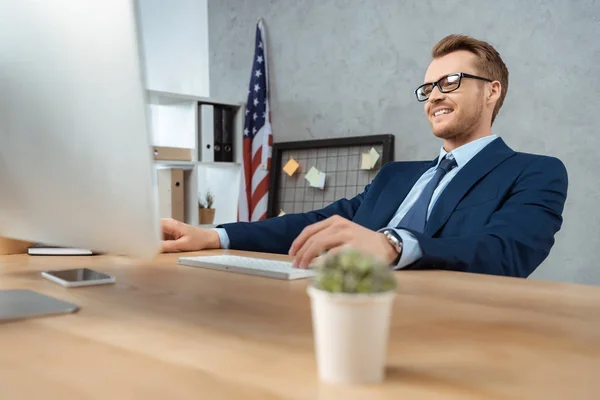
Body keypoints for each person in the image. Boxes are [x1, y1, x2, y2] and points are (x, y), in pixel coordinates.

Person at [161, 34, 568, 278]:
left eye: (451, 81)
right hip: (341, 303)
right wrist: (214, 235)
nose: (435, 96)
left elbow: (505, 253)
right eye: (428, 89)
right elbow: (322, 224)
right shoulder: (396, 176)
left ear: (492, 91)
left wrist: (392, 244)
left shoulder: (535, 172)